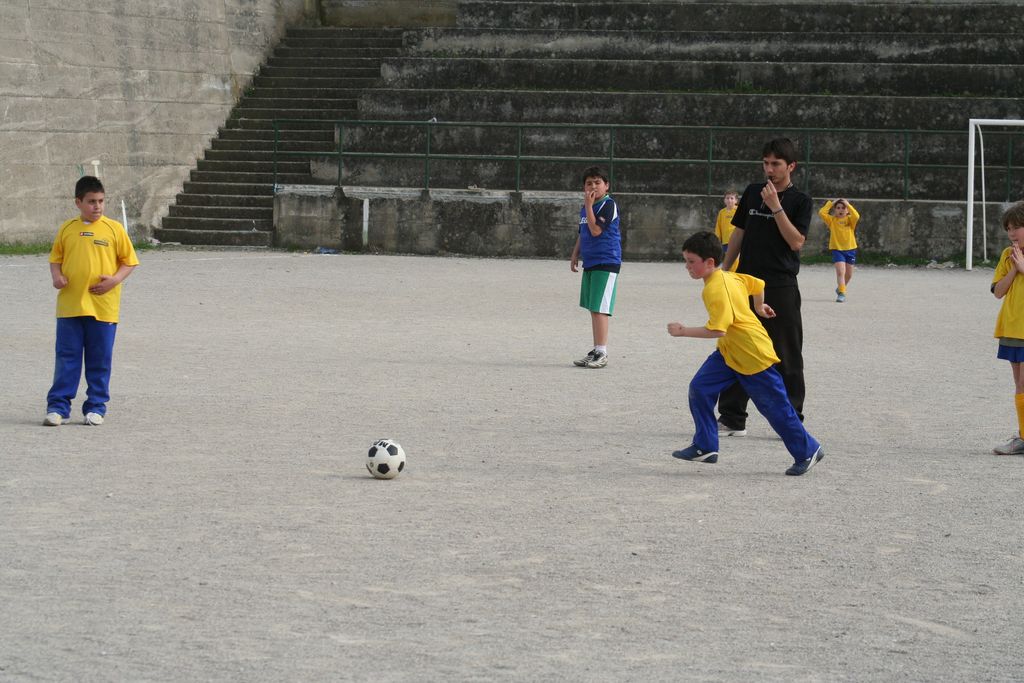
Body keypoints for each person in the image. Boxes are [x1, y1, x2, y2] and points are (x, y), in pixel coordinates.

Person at [667, 231, 823, 475]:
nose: (687, 266)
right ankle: (705, 446)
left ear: (709, 262)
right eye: (686, 261)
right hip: (730, 353)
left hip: (752, 354)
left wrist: (683, 331)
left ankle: (808, 450)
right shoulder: (729, 276)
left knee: (774, 407)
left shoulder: (715, 289)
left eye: (691, 261)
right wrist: (759, 306)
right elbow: (757, 284)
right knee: (700, 388)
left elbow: (718, 329)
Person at [718, 138, 813, 436]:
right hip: (745, 283)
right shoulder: (751, 192)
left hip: (780, 285)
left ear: (791, 166)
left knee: (786, 352)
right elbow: (739, 233)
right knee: (739, 347)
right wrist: (724, 271)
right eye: (766, 163)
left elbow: (796, 242)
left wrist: (776, 207)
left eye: (776, 164)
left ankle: (792, 419)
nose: (769, 169)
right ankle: (732, 417)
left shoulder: (801, 201)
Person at [44, 175, 139, 426]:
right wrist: (57, 276)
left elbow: (129, 262)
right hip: (70, 307)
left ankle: (96, 407)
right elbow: (55, 258)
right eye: (91, 201)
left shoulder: (114, 229)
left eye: (101, 201)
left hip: (103, 308)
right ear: (78, 202)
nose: (97, 206)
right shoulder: (67, 229)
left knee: (100, 360)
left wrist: (114, 280)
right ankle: (58, 407)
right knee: (67, 358)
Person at [570, 166, 622, 369]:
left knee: (601, 308)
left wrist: (589, 205)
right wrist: (575, 254)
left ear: (606, 185)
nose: (593, 186)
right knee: (593, 307)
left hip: (606, 261)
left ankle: (602, 352)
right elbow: (583, 232)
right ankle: (596, 349)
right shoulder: (587, 207)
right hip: (591, 261)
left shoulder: (608, 205)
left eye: (597, 182)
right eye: (589, 183)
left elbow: (595, 230)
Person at [991, 201, 1024, 455]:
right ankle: (1022, 435)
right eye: (1009, 229)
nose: (1012, 233)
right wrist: (1014, 268)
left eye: (1017, 227)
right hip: (1012, 328)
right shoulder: (1006, 255)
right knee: (1019, 386)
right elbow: (998, 292)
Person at [818, 198, 860, 302]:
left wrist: (848, 205)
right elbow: (821, 213)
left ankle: (841, 287)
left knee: (849, 275)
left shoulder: (850, 220)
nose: (840, 210)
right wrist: (831, 203)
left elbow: (856, 216)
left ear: (847, 210)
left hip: (850, 249)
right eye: (838, 208)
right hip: (837, 250)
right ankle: (842, 293)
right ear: (834, 210)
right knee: (841, 272)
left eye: (843, 208)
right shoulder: (831, 220)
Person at [713, 189, 740, 272]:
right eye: (727, 198)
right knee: (728, 257)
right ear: (724, 200)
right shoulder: (722, 212)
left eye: (732, 198)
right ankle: (730, 273)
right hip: (725, 241)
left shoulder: (739, 211)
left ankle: (734, 273)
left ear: (736, 200)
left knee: (735, 258)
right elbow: (718, 226)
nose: (729, 200)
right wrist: (717, 238)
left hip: (736, 240)